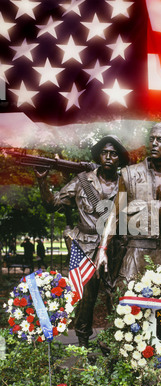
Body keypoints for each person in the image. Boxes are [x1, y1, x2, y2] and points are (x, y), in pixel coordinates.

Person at [35, 135, 129, 348]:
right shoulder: (82, 181)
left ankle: (119, 343)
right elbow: (52, 205)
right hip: (85, 246)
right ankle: (83, 343)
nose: (108, 157)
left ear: (119, 159)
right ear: (98, 156)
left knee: (116, 295)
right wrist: (42, 181)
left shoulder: (125, 184)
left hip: (116, 247)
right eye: (104, 152)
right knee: (86, 298)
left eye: (113, 153)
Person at [95, 122, 161, 287]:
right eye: (152, 139)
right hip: (136, 253)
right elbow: (115, 215)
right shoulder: (129, 174)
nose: (154, 143)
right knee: (128, 307)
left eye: (160, 139)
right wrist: (103, 249)